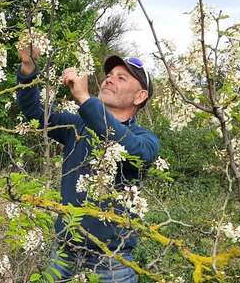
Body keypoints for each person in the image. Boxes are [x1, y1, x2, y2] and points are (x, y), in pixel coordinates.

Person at [16, 46, 160, 282]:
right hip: (63, 253)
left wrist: (84, 98)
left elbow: (130, 147)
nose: (109, 80)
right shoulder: (78, 126)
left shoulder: (146, 140)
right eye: (109, 76)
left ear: (139, 96)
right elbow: (34, 112)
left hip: (111, 264)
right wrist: (28, 68)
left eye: (121, 78)